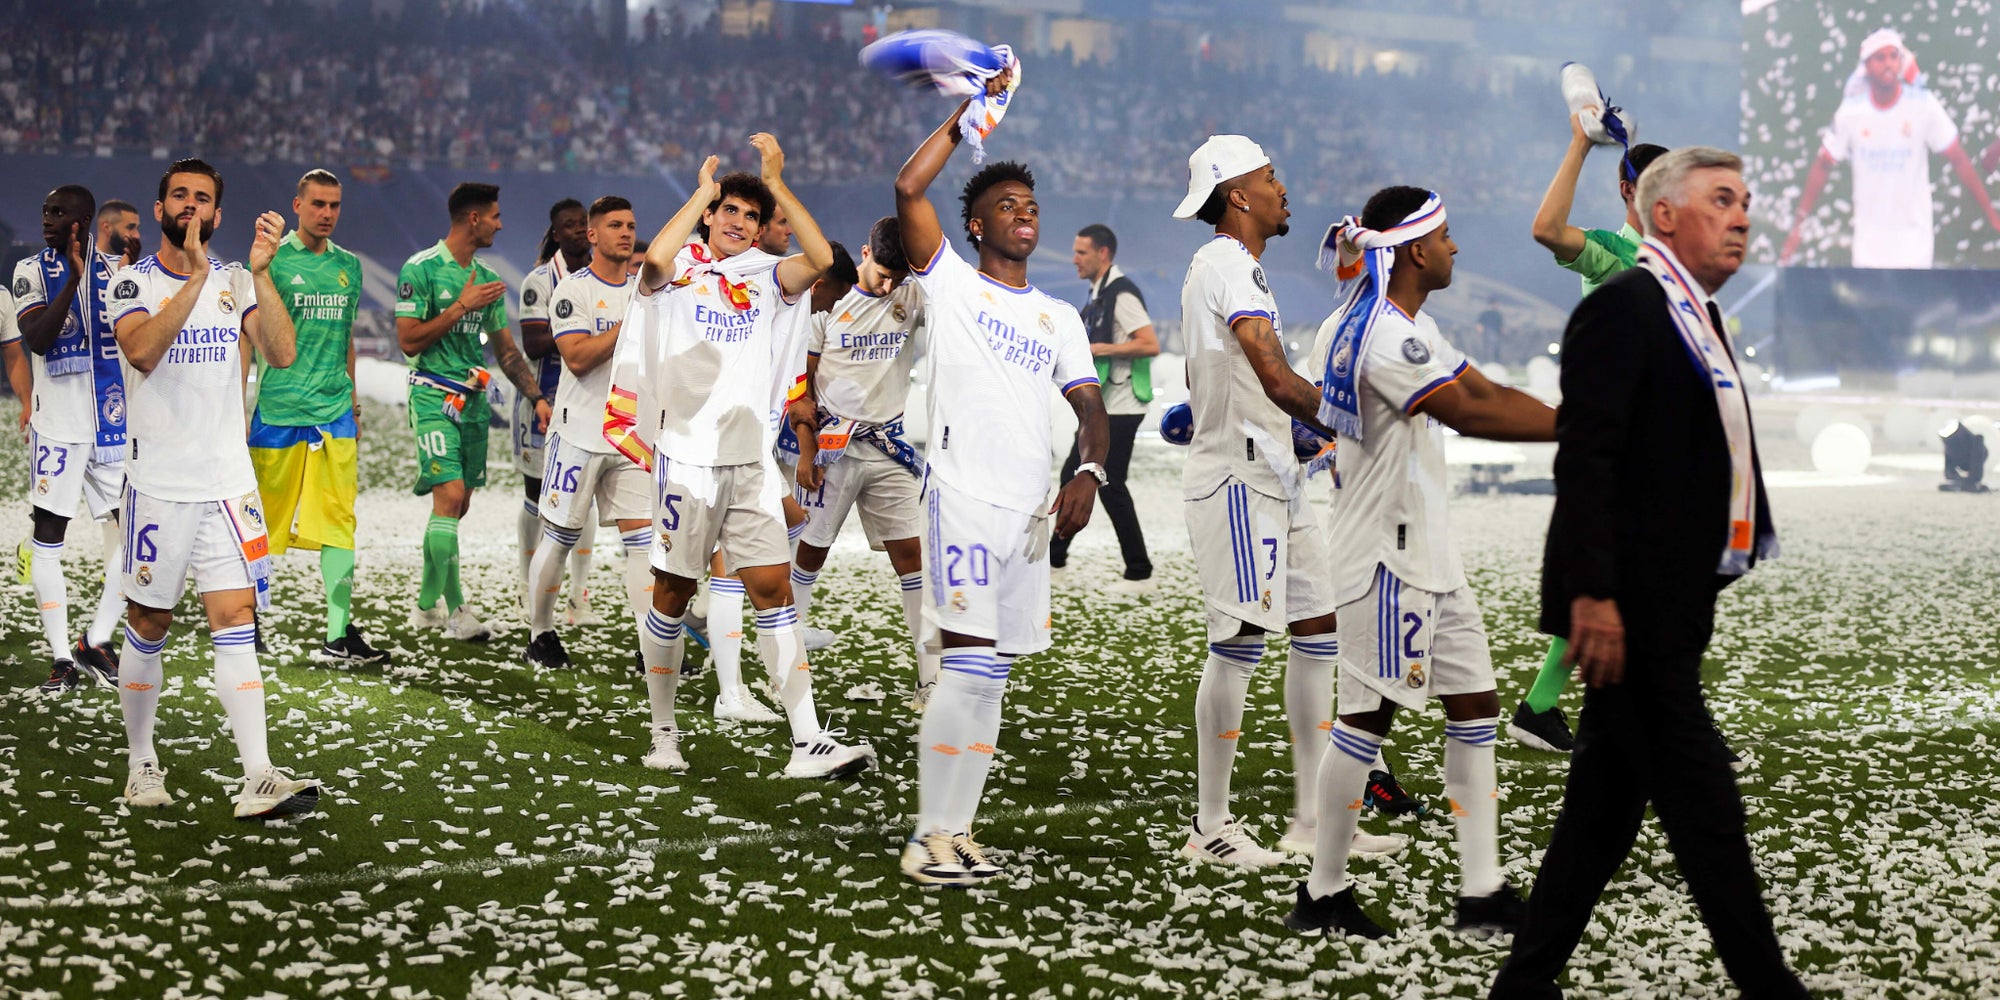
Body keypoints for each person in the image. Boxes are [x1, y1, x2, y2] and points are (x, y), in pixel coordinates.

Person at [1491, 147, 1807, 998]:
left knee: (1597, 822)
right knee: (1709, 818)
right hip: (1632, 612)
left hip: (1672, 600)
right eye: (1721, 200)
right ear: (1664, 215)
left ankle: (1521, 987)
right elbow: (1587, 459)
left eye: (1745, 199)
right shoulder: (1628, 307)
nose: (1743, 215)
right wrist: (1590, 594)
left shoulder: (1692, 309)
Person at [1285, 185, 1558, 938]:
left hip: (1427, 550)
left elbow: (1481, 386)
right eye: (1444, 237)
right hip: (1385, 557)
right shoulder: (1381, 335)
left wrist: (1577, 418)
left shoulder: (1408, 323)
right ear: (1411, 250)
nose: (1455, 248)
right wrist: (1590, 428)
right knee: (1365, 721)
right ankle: (1323, 892)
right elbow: (1467, 411)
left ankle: (1483, 893)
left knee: (1476, 709)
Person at [891, 85, 1110, 887]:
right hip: (961, 497)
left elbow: (1091, 407)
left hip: (1027, 514)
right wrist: (967, 121)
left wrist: (1087, 470)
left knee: (992, 678)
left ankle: (956, 831)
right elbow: (909, 190)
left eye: (1032, 204)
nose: (1026, 213)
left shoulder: (1058, 315)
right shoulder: (950, 280)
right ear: (978, 224)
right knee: (969, 665)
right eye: (1007, 204)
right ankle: (924, 838)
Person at [1172, 136, 1403, 868]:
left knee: (1318, 633)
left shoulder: (1241, 271)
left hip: (1273, 472)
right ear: (1237, 194)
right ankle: (1210, 827)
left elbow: (1259, 383)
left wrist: (1308, 432)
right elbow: (1274, 376)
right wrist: (1353, 422)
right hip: (1239, 480)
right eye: (1269, 177)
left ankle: (1312, 819)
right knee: (1239, 644)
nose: (1282, 187)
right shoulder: (1227, 266)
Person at [606, 136, 868, 777]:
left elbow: (821, 256)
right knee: (671, 592)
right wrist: (700, 191)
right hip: (687, 459)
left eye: (750, 215)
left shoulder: (765, 277)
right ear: (708, 213)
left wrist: (778, 185)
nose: (738, 221)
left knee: (774, 591)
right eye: (729, 209)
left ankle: (807, 740)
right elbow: (654, 262)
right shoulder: (677, 273)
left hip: (748, 460)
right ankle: (663, 731)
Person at [108, 158, 320, 819]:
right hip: (159, 486)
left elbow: (282, 353)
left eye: (204, 198)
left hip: (227, 486)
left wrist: (257, 273)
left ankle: (258, 775)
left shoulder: (236, 280)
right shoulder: (130, 283)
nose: (192, 206)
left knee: (236, 621)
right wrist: (196, 278)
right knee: (150, 622)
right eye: (180, 196)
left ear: (218, 213)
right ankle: (142, 763)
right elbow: (142, 352)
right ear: (161, 206)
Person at [1520, 116, 1671, 751]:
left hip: (1658, 440)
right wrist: (1580, 142)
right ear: (1627, 191)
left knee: (1630, 582)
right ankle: (1663, 717)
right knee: (1630, 581)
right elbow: (1546, 230)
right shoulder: (1614, 250)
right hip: (1621, 444)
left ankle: (1544, 706)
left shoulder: (1679, 259)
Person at [789, 217, 939, 710]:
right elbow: (802, 388)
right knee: (811, 552)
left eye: (900, 274)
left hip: (891, 449)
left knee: (912, 560)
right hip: (833, 449)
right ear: (864, 252)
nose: (890, 283)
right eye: (883, 272)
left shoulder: (913, 296)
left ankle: (929, 678)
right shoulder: (828, 305)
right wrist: (807, 450)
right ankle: (788, 661)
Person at [395, 182, 549, 642]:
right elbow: (409, 340)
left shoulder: (486, 279)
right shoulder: (419, 269)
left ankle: (424, 605)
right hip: (432, 395)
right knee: (450, 495)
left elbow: (505, 352)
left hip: (475, 400)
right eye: (496, 216)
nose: (501, 224)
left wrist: (537, 397)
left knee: (456, 506)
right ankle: (458, 611)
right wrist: (461, 306)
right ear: (474, 219)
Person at [247, 169, 388, 665]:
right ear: (298, 205)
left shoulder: (349, 266)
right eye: (319, 204)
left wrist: (350, 398)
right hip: (280, 410)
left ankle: (337, 632)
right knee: (260, 522)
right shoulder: (272, 264)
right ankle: (247, 618)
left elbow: (346, 336)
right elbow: (252, 335)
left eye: (335, 206)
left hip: (334, 414)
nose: (327, 214)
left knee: (339, 523)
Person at [522, 196, 655, 672]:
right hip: (579, 434)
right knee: (559, 537)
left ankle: (650, 644)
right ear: (592, 235)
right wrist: (630, 322)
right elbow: (577, 359)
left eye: (631, 225)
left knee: (643, 539)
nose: (625, 232)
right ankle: (540, 633)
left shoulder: (648, 291)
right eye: (615, 225)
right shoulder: (571, 291)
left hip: (633, 435)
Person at [12, 184, 129, 692]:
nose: (47, 218)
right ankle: (61, 657)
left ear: (83, 222)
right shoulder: (28, 271)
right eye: (45, 210)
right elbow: (36, 337)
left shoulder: (118, 272)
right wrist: (72, 284)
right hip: (57, 429)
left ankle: (95, 640)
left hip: (112, 427)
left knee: (137, 540)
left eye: (59, 213)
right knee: (49, 541)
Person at [1781, 28, 2000, 268]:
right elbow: (1823, 165)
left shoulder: (1924, 106)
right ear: (1867, 65)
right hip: (1868, 248)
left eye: (1894, 56)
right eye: (1880, 57)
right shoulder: (1850, 114)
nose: (1888, 64)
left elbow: (1958, 159)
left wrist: (1990, 213)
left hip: (1916, 246)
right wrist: (1798, 226)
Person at [1049, 223, 1155, 587]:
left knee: (1109, 484)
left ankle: (1138, 568)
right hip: (1104, 406)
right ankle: (1055, 555)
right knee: (1074, 475)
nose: (1074, 259)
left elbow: (1149, 343)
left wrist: (1101, 349)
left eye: (1081, 252)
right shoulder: (1098, 293)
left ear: (1103, 254)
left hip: (1122, 405)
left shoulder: (1121, 293)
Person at [515, 199, 601, 626]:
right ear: (555, 232)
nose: (574, 230)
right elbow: (532, 343)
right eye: (565, 225)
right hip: (543, 401)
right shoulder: (539, 280)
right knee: (536, 498)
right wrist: (582, 335)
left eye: (580, 223)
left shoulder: (607, 278)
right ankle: (525, 584)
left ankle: (578, 598)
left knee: (586, 504)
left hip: (592, 403)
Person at [94, 199, 142, 268]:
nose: (137, 236)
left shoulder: (140, 269)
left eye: (137, 228)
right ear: (107, 228)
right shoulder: (85, 264)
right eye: (130, 227)